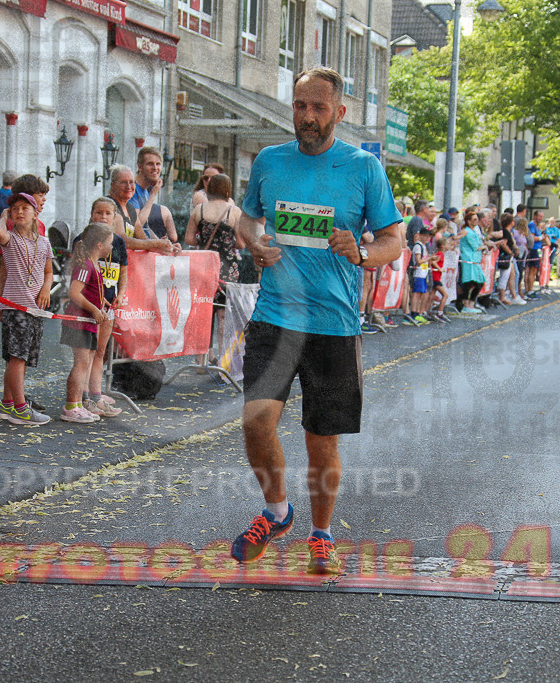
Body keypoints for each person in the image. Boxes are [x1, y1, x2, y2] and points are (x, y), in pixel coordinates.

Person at [230, 67, 403, 574]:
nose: (308, 116)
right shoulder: (268, 161)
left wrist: (364, 250)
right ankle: (277, 510)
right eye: (301, 105)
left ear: (339, 113)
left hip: (334, 322)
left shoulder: (362, 169)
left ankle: (322, 534)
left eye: (318, 107)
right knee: (256, 421)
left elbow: (395, 239)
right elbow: (247, 216)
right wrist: (253, 241)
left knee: (320, 439)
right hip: (275, 316)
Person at [0, 192, 52, 427]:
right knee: (17, 358)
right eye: (15, 208)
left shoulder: (44, 243)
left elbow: (48, 272)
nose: (19, 211)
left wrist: (46, 289)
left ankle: (7, 404)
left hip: (34, 308)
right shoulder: (10, 239)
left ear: (36, 213)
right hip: (16, 307)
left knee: (19, 360)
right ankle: (20, 408)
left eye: (25, 207)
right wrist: (3, 214)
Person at [186, 173, 244, 367]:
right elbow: (242, 243)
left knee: (203, 312)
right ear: (228, 191)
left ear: (209, 190)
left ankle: (201, 359)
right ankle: (222, 363)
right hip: (226, 268)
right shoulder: (233, 211)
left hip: (204, 267)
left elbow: (189, 239)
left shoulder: (199, 210)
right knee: (223, 315)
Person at [60, 223, 115, 423]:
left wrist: (101, 302)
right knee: (81, 364)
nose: (112, 247)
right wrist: (93, 308)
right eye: (110, 243)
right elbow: (74, 293)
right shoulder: (85, 265)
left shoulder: (93, 264)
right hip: (79, 323)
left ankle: (77, 404)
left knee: (87, 362)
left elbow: (90, 291)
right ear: (99, 244)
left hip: (88, 323)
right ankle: (71, 405)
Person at [77, 198, 126, 418]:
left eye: (108, 213)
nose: (103, 217)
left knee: (100, 352)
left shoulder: (118, 242)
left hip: (108, 304)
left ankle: (95, 396)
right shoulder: (83, 240)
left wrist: (121, 293)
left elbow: (123, 271)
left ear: (115, 217)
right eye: (99, 213)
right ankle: (82, 397)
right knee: (84, 355)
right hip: (86, 307)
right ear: (91, 215)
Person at [107, 166, 179, 254]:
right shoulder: (109, 205)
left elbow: (143, 238)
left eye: (132, 182)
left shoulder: (130, 208)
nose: (129, 186)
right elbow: (123, 240)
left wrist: (166, 247)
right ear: (113, 185)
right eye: (123, 183)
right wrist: (155, 243)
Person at [129, 147, 179, 243]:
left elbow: (145, 227)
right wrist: (153, 195)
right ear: (140, 167)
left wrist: (160, 243)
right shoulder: (131, 189)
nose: (155, 168)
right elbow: (136, 226)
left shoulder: (145, 191)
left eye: (158, 164)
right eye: (150, 164)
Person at [457, 209, 488, 312]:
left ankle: (471, 304)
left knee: (479, 282)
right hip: (468, 259)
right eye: (474, 219)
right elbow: (475, 246)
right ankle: (466, 305)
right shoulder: (467, 231)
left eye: (477, 219)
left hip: (475, 260)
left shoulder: (473, 231)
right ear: (469, 221)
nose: (476, 221)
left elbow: (479, 243)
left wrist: (484, 245)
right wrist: (484, 246)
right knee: (468, 282)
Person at [494, 213, 516, 305]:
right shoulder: (506, 232)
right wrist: (510, 252)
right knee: (505, 275)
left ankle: (510, 294)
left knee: (512, 275)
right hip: (506, 256)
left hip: (507, 257)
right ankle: (502, 296)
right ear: (511, 222)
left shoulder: (505, 231)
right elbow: (504, 243)